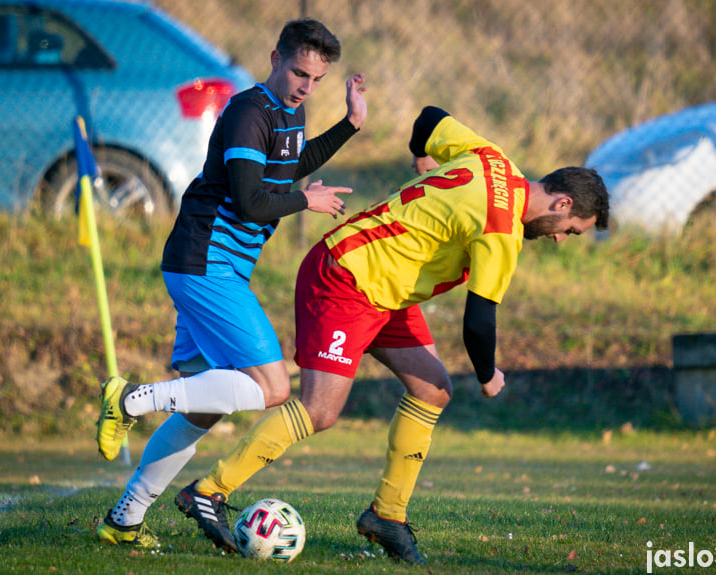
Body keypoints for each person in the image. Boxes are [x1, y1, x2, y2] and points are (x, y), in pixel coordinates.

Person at [159, 105, 610, 562]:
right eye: (570, 230)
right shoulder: (503, 229)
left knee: (432, 390)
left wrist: (421, 156)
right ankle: (208, 491)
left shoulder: (494, 160)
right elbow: (478, 320)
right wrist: (488, 373)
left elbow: (430, 118)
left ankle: (387, 517)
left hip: (386, 289)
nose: (559, 238)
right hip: (345, 277)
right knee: (319, 409)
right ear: (562, 203)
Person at [94, 18, 367, 549]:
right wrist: (306, 201)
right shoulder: (247, 113)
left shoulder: (292, 111)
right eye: (298, 72)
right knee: (274, 388)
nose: (305, 86)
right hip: (205, 263)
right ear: (275, 58)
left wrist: (350, 125)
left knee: (204, 406)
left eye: (316, 78)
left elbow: (288, 169)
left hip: (218, 267)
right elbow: (250, 200)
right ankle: (130, 399)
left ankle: (123, 519)